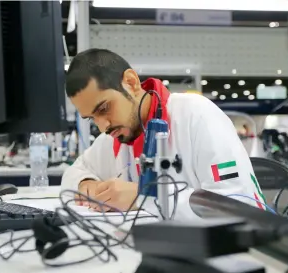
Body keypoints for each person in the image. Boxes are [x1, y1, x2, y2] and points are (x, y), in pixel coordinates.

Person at [61, 48, 265, 220]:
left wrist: (144, 198)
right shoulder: (114, 137)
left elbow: (238, 206)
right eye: (91, 117)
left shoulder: (197, 115)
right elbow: (75, 171)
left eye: (104, 108)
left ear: (131, 83)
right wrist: (85, 183)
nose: (102, 126)